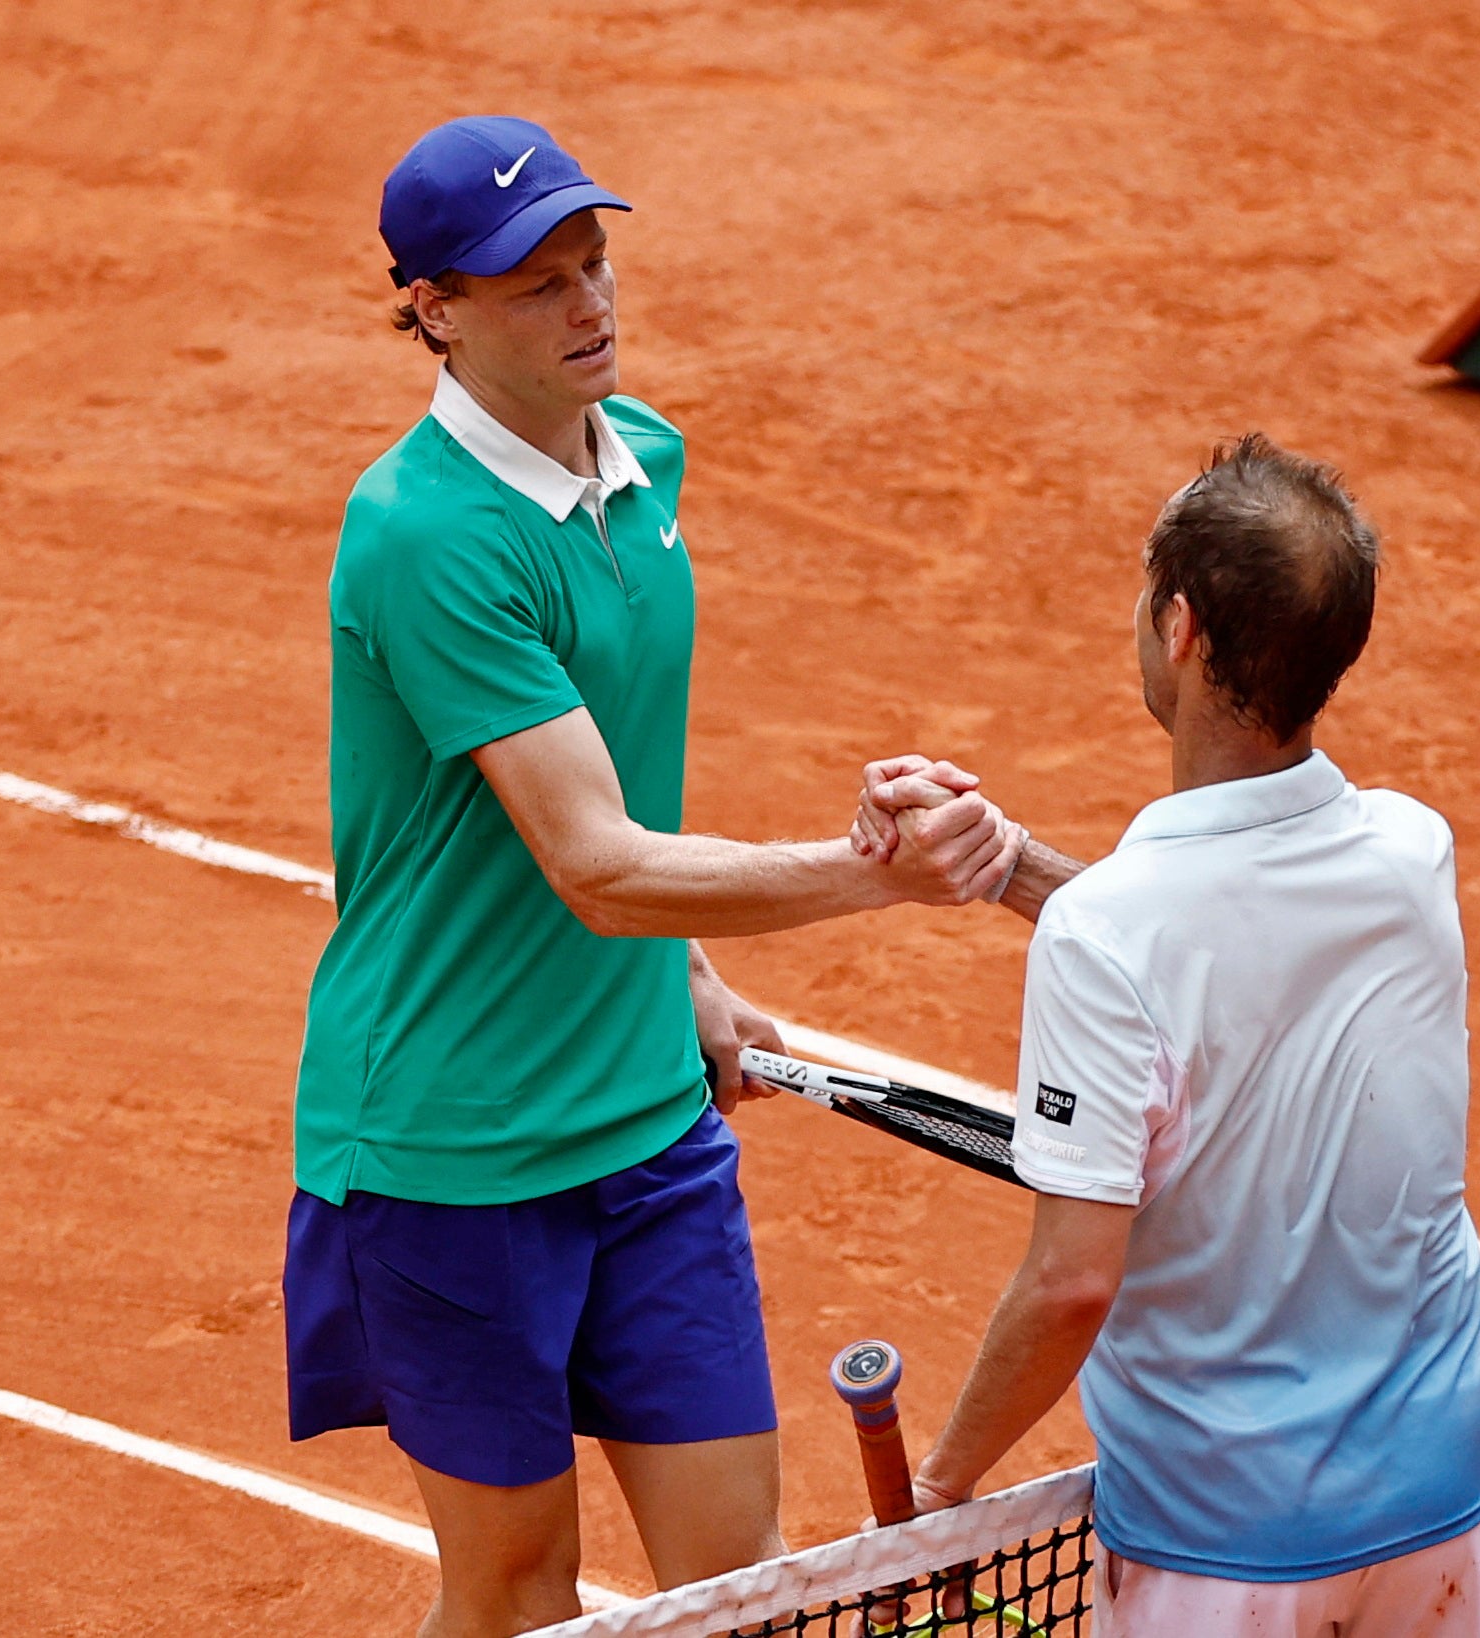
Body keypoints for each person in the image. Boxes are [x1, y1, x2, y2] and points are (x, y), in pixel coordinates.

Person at [283, 117, 1025, 1638]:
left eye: (594, 263)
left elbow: (622, 792)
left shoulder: (647, 465)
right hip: (453, 1147)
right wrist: (874, 877)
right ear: (431, 307)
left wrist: (681, 977)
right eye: (537, 286)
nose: (588, 307)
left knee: (737, 1580)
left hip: (645, 1128)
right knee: (514, 1591)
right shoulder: (423, 538)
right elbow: (599, 865)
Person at [854, 435, 1480, 1636]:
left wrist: (943, 1487)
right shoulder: (1415, 855)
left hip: (1230, 1556)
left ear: (1180, 629)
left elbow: (1071, 1284)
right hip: (1447, 1507)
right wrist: (1009, 864)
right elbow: (1221, 946)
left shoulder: (1108, 941)